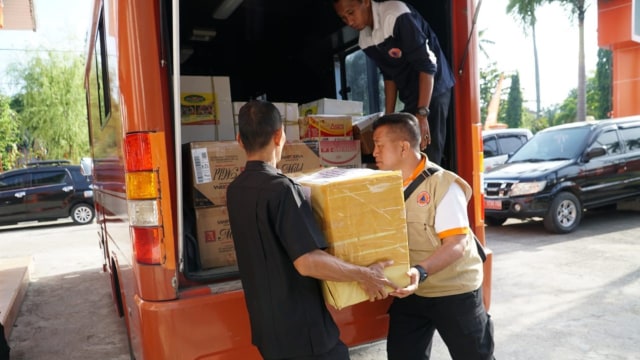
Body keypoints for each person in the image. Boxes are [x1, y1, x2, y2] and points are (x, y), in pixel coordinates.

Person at [226, 99, 398, 360]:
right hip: (303, 333)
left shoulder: (235, 190)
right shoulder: (283, 190)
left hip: (266, 329)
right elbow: (307, 262)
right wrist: (364, 274)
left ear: (240, 139)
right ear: (279, 135)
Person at [371, 112, 495, 360]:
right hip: (413, 289)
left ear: (404, 147)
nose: (374, 152)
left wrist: (420, 271)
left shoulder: (442, 185)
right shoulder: (384, 184)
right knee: (402, 354)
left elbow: (457, 244)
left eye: (379, 145)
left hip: (454, 288)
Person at [333, 0, 455, 165]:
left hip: (433, 88)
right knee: (404, 153)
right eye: (343, 18)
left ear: (366, 3)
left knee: (427, 155)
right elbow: (389, 76)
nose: (349, 22)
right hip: (410, 94)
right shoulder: (365, 40)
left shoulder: (395, 15)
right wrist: (388, 119)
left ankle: (430, 189)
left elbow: (426, 65)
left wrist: (423, 114)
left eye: (351, 12)